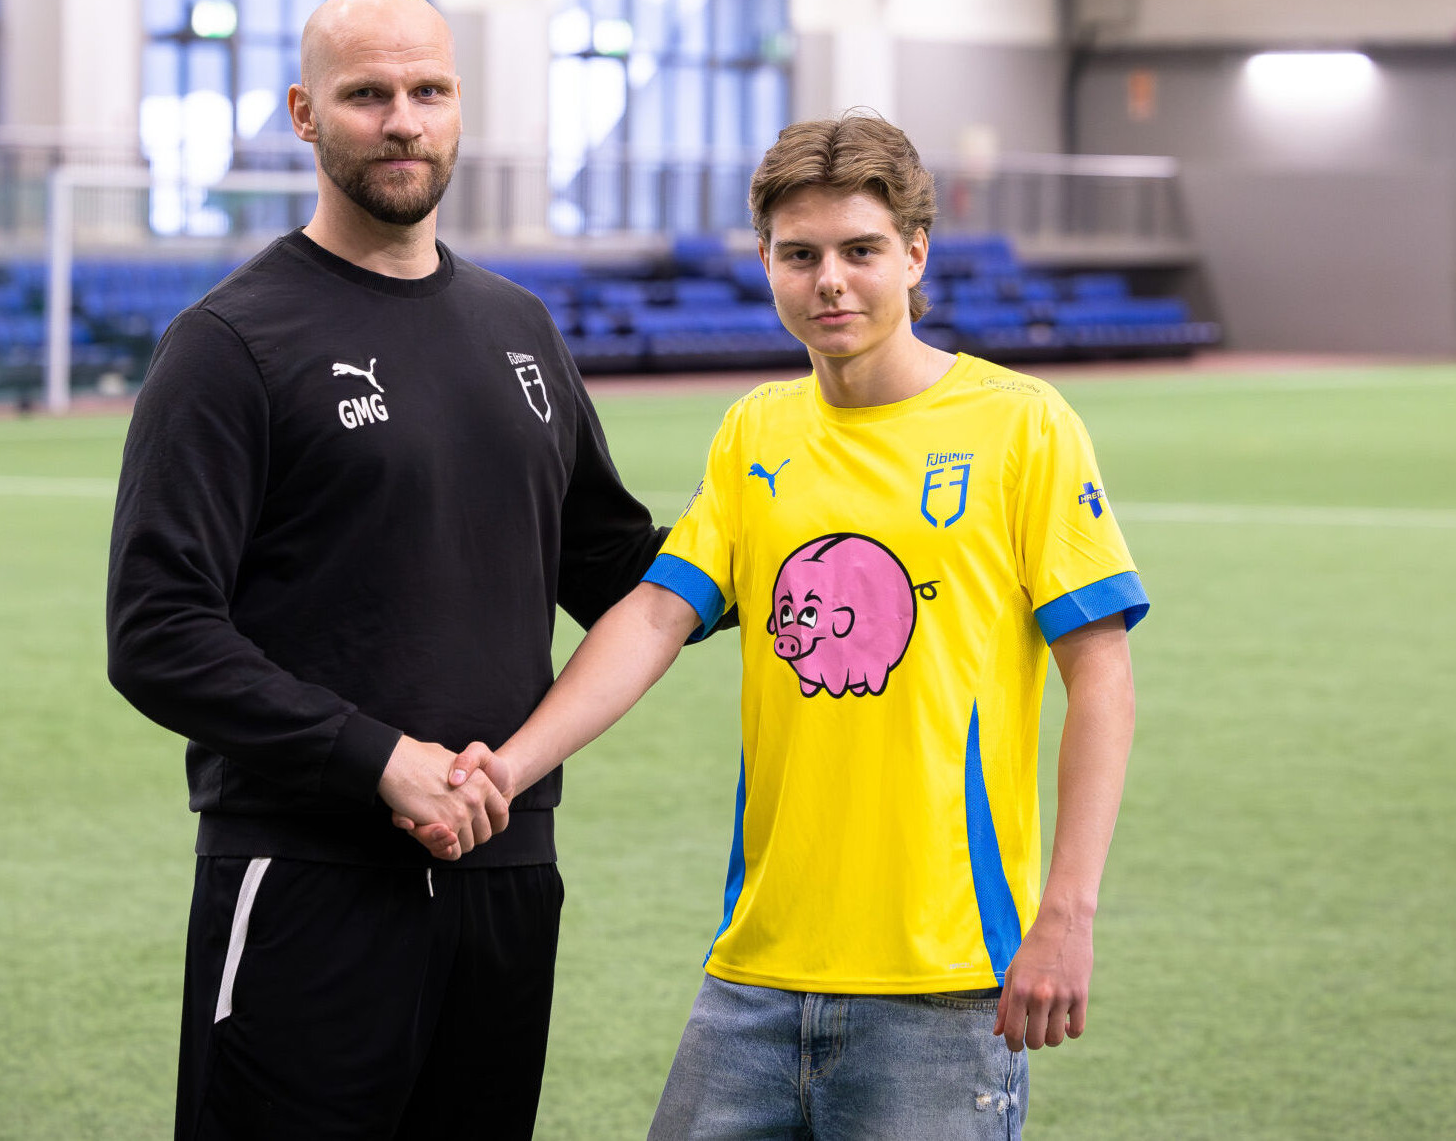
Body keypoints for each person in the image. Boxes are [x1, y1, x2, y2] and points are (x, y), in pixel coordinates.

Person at [425, 112, 1148, 1138]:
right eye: (799, 255)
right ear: (765, 262)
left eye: (861, 251)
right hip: (754, 974)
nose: (830, 282)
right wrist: (505, 768)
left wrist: (1067, 914)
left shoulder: (1021, 424)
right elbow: (655, 616)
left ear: (914, 255)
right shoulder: (755, 429)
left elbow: (1101, 676)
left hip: (944, 982)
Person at [106, 0, 671, 1140]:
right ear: (305, 114)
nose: (403, 121)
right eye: (368, 94)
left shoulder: (519, 327)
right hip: (309, 878)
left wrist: (798, 520)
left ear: (461, 105)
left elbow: (621, 571)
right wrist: (379, 762)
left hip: (506, 871)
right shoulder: (230, 343)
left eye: (429, 91)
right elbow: (158, 632)